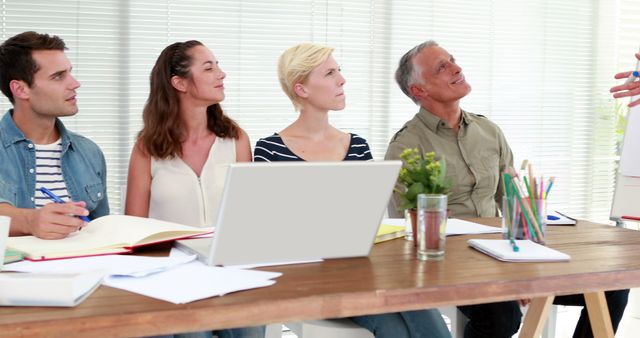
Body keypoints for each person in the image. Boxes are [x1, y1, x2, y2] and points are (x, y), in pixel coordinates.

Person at [385, 40, 629, 338]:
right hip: (453, 265)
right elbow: (406, 228)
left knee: (612, 286)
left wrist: (520, 266)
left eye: (452, 60)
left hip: (502, 253)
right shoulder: (406, 145)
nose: (457, 68)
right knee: (502, 315)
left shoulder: (489, 131)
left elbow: (512, 202)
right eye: (442, 67)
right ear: (418, 91)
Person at [254, 43, 451, 338]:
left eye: (339, 70)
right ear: (302, 89)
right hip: (306, 279)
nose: (341, 80)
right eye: (330, 73)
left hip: (360, 270)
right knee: (395, 329)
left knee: (420, 302)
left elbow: (369, 219)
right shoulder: (269, 150)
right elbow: (267, 234)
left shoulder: (357, 146)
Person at [125, 40, 258, 338]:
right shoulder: (147, 148)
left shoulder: (236, 139)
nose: (221, 74)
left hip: (231, 273)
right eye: (209, 68)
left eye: (218, 65)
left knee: (250, 324)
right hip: (174, 279)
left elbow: (247, 218)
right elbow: (133, 230)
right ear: (179, 83)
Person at [0, 31, 109, 239]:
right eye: (58, 76)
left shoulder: (89, 152)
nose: (75, 83)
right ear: (21, 89)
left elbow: (101, 229)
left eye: (70, 72)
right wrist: (31, 221)